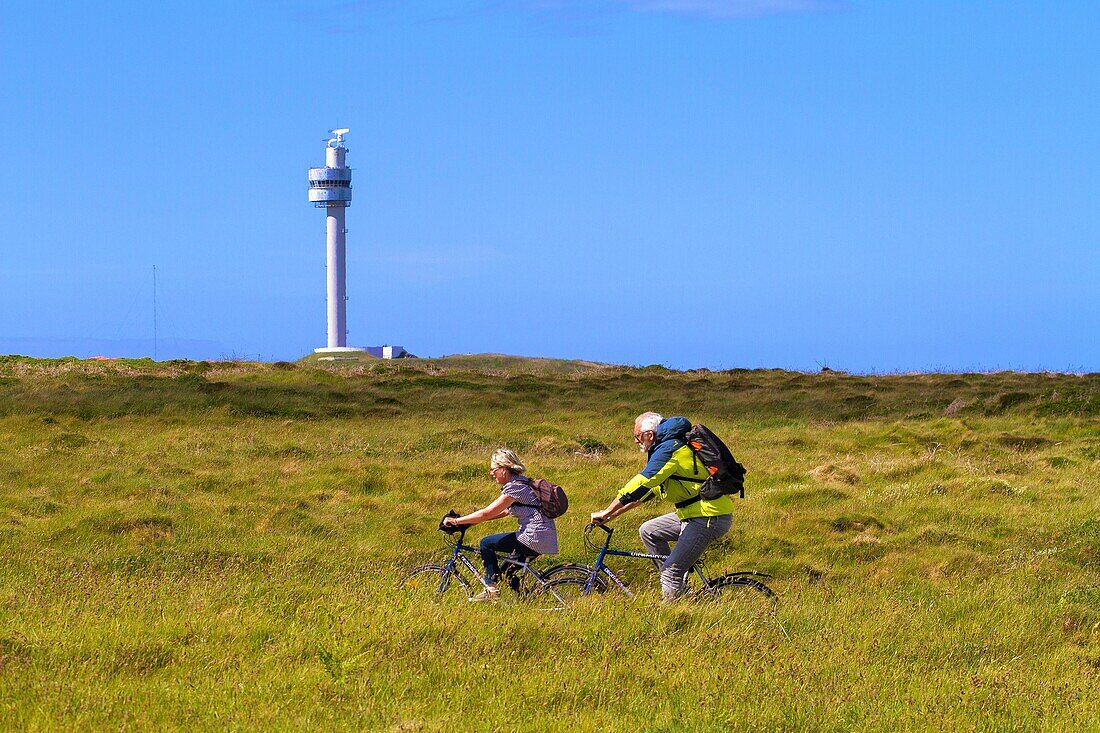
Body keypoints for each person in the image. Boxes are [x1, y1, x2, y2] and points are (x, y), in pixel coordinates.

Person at [590, 412, 734, 601]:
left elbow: (642, 482)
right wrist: (611, 516)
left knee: (670, 572)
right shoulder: (665, 447)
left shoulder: (670, 449)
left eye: (637, 437)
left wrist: (607, 509)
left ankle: (675, 608)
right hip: (694, 513)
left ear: (649, 434)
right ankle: (679, 586)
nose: (636, 442)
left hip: (709, 516)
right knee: (649, 531)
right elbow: (648, 492)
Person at [443, 448, 558, 601]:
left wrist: (456, 521)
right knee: (505, 572)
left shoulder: (515, 487)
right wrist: (470, 521)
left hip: (534, 536)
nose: (491, 473)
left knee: (486, 543)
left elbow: (487, 513)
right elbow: (504, 512)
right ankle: (526, 603)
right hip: (544, 537)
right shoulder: (523, 483)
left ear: (503, 469)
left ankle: (491, 588)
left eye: (493, 469)